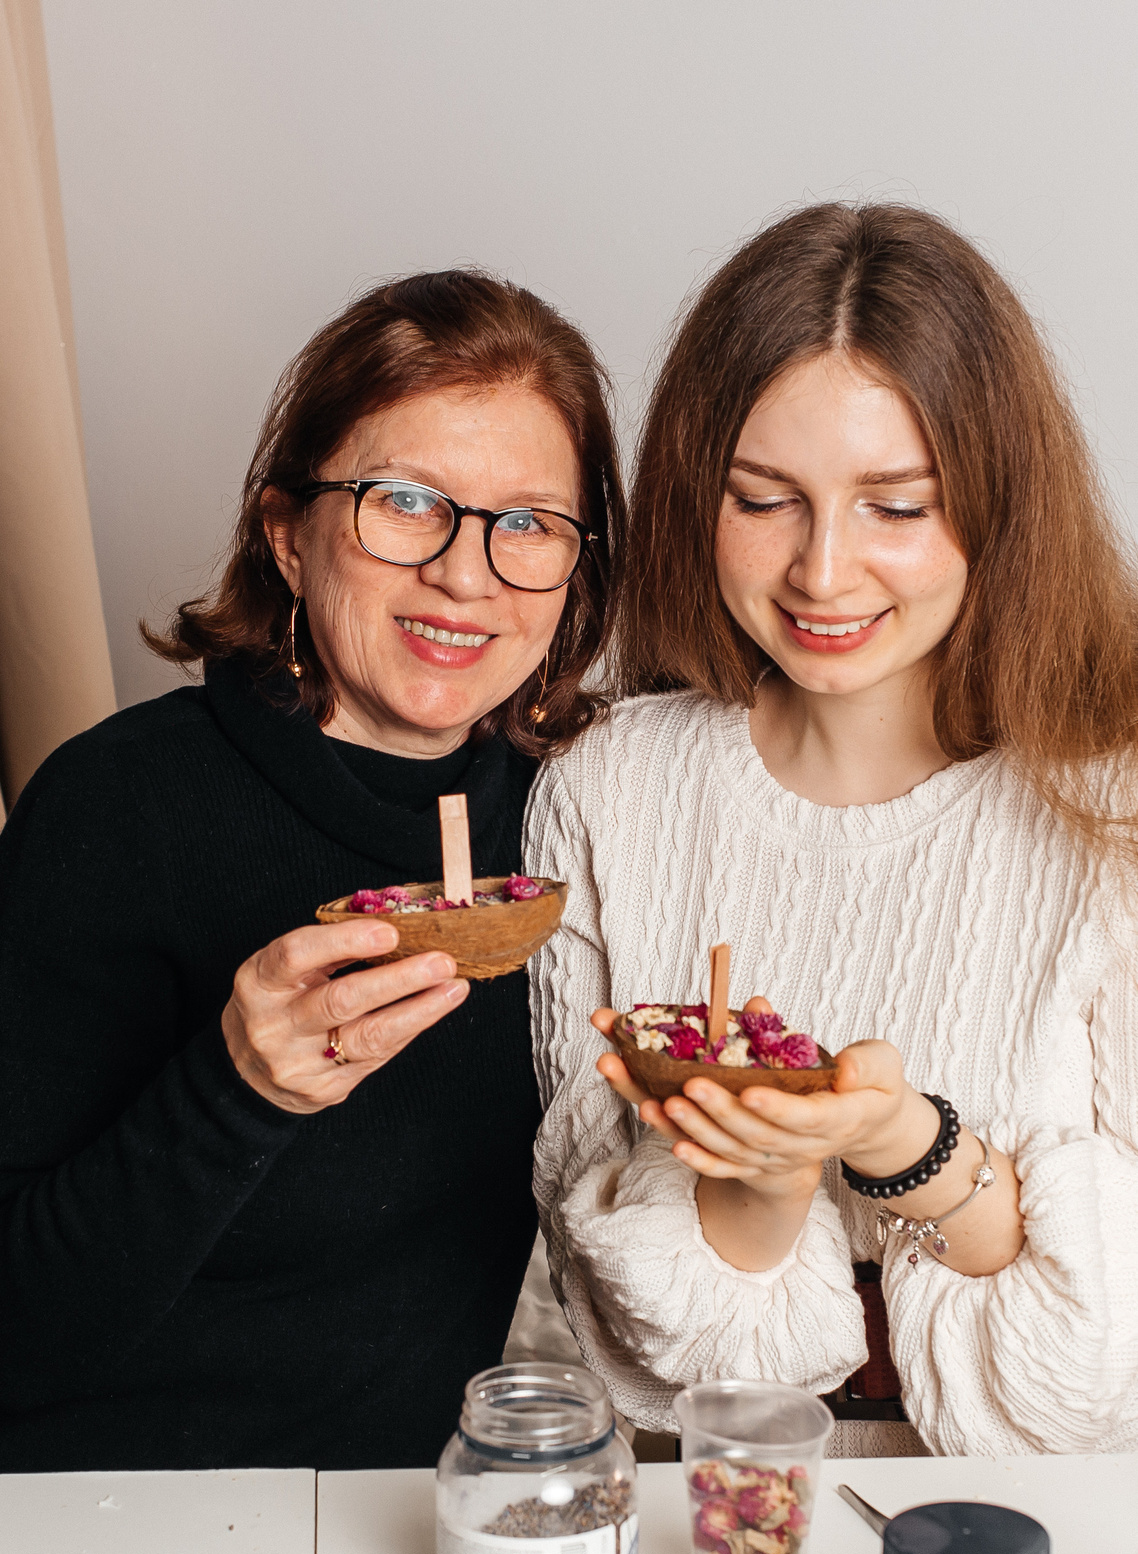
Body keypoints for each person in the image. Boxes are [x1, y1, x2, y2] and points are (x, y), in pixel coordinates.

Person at [525, 203, 1138, 1457]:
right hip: (706, 1509)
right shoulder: (606, 792)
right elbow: (619, 1328)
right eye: (766, 500)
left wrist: (903, 1145)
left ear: (999, 505)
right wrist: (759, 1185)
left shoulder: (1110, 814)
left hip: (1023, 1534)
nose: (821, 570)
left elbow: (1105, 1372)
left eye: (895, 507)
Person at [0, 270, 623, 1470]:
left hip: (415, 1521)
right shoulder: (115, 810)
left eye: (529, 523)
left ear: (574, 573)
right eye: (403, 502)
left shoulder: (580, 822)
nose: (465, 571)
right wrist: (236, 1090)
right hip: (98, 1524)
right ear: (288, 537)